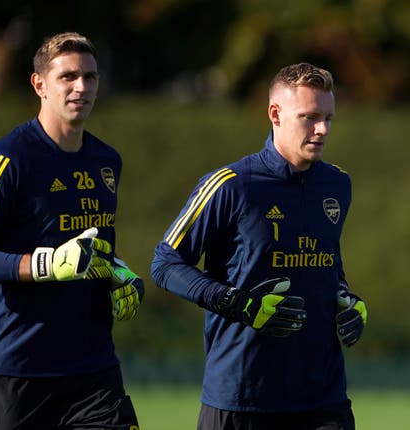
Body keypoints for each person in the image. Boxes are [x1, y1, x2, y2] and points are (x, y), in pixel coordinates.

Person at [0, 32, 143, 430]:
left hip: (93, 369)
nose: (81, 87)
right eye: (68, 76)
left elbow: (95, 251)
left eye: (90, 77)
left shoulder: (107, 161)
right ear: (40, 85)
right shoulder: (9, 160)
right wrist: (44, 264)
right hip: (18, 372)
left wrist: (121, 275)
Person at [151, 63, 367, 430]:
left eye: (328, 117)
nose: (323, 129)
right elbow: (165, 263)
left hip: (323, 399)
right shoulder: (231, 185)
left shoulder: (337, 185)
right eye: (310, 117)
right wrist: (236, 303)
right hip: (241, 398)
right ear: (275, 114)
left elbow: (327, 262)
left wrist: (348, 299)